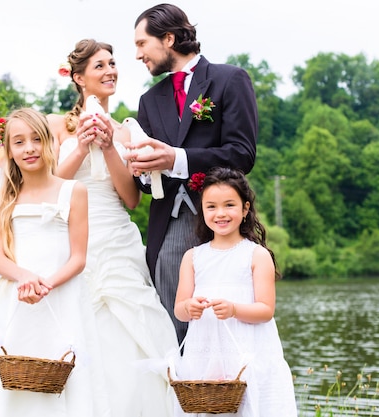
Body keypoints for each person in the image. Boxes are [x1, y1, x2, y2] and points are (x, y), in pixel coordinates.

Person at [48, 39, 178, 417]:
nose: (110, 71)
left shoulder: (126, 132)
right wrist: (81, 146)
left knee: (133, 326)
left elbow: (132, 199)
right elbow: (52, 187)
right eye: (100, 66)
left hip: (118, 237)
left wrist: (107, 147)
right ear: (79, 78)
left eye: (112, 64)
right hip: (73, 236)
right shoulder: (58, 126)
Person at [126, 3, 258, 345]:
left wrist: (175, 158)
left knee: (229, 330)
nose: (138, 54)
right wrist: (140, 170)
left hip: (221, 223)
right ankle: (184, 398)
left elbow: (242, 154)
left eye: (142, 44)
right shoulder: (149, 100)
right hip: (166, 228)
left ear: (168, 38)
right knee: (174, 332)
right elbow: (146, 178)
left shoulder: (230, 80)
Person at [0, 108, 110, 417]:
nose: (29, 148)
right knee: (13, 371)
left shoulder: (74, 191)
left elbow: (78, 257)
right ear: (9, 151)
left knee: (64, 369)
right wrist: (24, 277)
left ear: (49, 143)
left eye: (35, 139)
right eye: (19, 142)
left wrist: (46, 284)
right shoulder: (7, 195)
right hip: (17, 297)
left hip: (61, 296)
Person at [172, 167, 297, 416]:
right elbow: (179, 310)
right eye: (211, 206)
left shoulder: (256, 255)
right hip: (205, 349)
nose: (220, 214)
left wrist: (233, 309)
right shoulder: (193, 257)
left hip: (247, 348)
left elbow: (265, 310)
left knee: (250, 405)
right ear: (202, 210)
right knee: (209, 408)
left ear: (245, 208)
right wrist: (190, 307)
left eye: (229, 205)